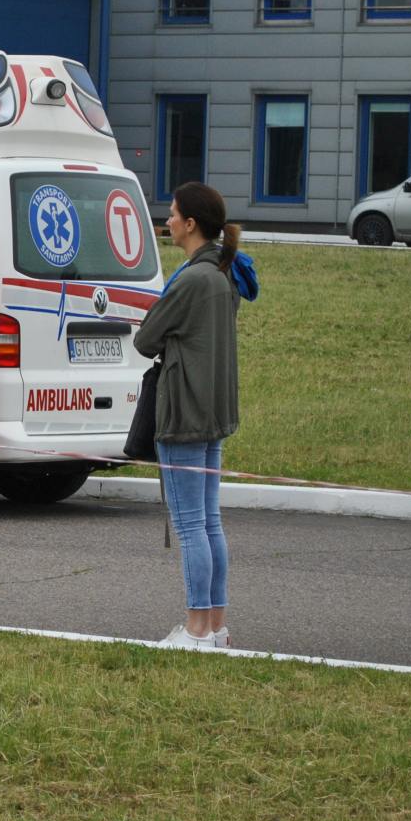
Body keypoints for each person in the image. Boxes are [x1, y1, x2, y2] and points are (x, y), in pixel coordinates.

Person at [133, 181, 241, 650]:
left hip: (184, 412)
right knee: (209, 521)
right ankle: (216, 626)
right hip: (213, 409)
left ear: (192, 224)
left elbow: (145, 339)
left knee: (191, 525)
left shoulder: (193, 278)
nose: (169, 220)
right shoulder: (222, 273)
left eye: (174, 213)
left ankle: (196, 630)